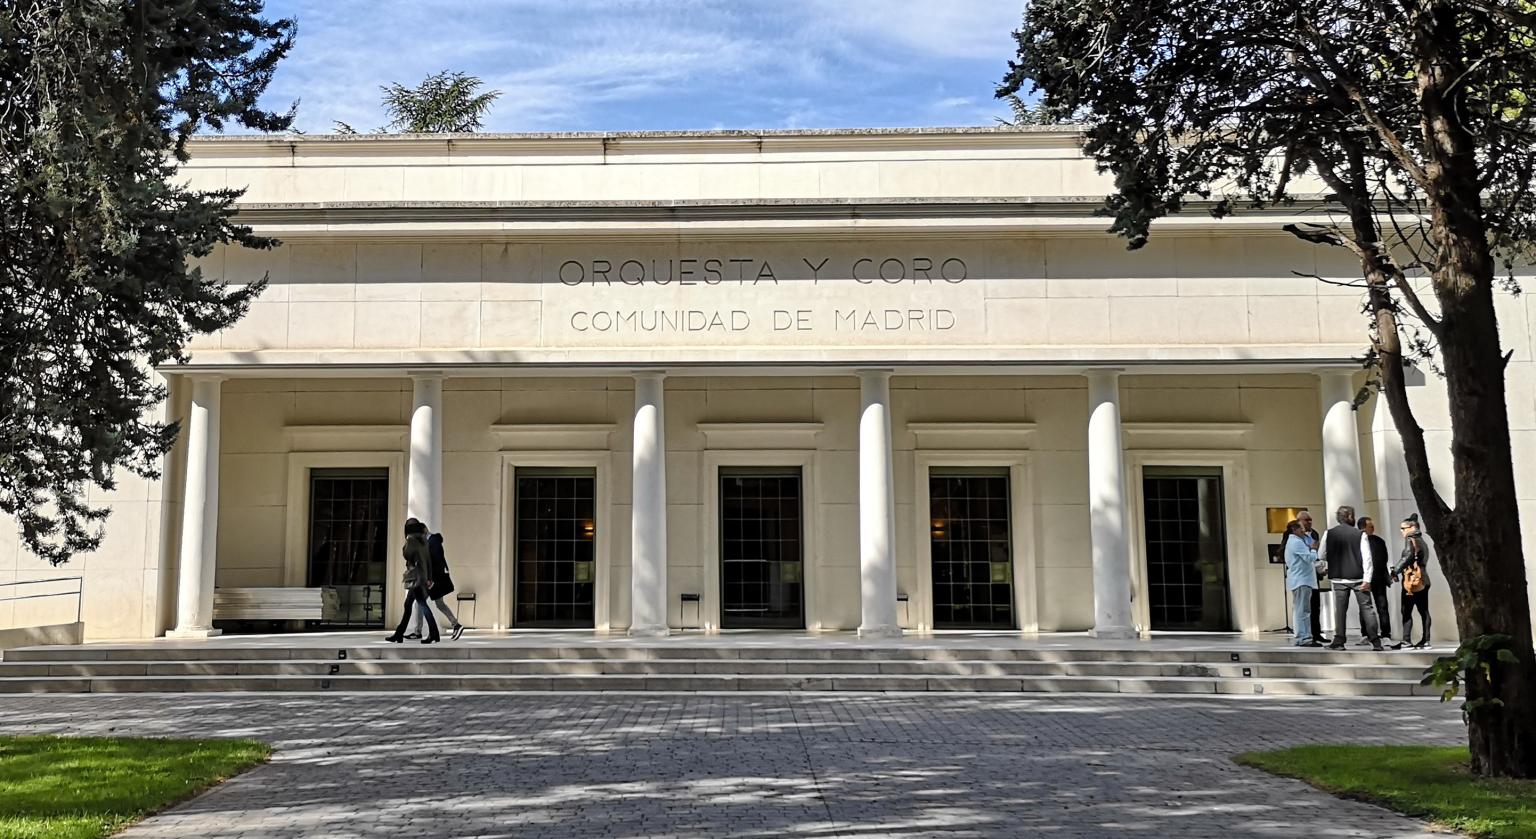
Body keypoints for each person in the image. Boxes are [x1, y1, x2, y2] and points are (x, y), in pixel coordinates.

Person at [1318, 505, 1383, 651]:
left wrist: (1332, 560)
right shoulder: (1360, 534)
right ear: (1351, 517)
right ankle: (1375, 641)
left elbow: (1321, 555)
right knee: (1367, 609)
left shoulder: (1329, 534)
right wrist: (1367, 579)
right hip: (1358, 577)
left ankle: (1339, 641)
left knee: (1340, 611)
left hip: (1338, 578)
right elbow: (1367, 558)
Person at [385, 518, 440, 645]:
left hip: (415, 578)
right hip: (423, 576)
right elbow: (428, 560)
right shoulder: (424, 540)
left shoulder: (411, 539)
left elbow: (407, 554)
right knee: (408, 605)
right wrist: (430, 577)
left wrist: (407, 541)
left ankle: (433, 633)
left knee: (422, 605)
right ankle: (399, 634)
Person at [405, 532, 464, 641]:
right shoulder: (430, 542)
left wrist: (429, 579)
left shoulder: (433, 542)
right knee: (438, 604)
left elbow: (435, 562)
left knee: (421, 602)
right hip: (434, 579)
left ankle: (419, 631)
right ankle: (455, 625)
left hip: (434, 580)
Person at [1392, 513, 1433, 649]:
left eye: (1403, 528)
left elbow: (1408, 557)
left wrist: (1394, 571)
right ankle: (1426, 640)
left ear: (1412, 527)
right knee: (1423, 610)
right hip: (1423, 579)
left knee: (1407, 610)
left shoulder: (1411, 539)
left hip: (1413, 581)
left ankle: (1406, 640)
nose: (1401, 531)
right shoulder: (1421, 540)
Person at [1282, 520, 1321, 646]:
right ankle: (1304, 637)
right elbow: (1309, 558)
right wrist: (1314, 549)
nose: (1304, 531)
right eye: (1301, 529)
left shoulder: (1294, 541)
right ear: (1294, 529)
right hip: (1302, 580)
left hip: (1300, 579)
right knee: (1303, 610)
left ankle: (1301, 636)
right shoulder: (1296, 542)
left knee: (1300, 610)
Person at [1356, 517, 1394, 645]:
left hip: (1378, 578)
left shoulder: (1379, 541)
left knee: (1382, 606)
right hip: (1363, 578)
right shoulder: (1356, 541)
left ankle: (1385, 634)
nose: (1373, 528)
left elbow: (1384, 559)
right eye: (1370, 526)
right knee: (1364, 608)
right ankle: (1365, 634)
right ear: (1363, 527)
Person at [1295, 510, 1330, 645]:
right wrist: (1312, 550)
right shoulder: (1294, 536)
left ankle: (1316, 633)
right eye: (1306, 520)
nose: (1309, 523)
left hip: (1314, 574)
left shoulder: (1314, 533)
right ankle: (1305, 635)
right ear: (1299, 521)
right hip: (1302, 575)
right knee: (1304, 607)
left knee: (1316, 605)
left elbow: (1319, 553)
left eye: (1310, 520)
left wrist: (1321, 568)